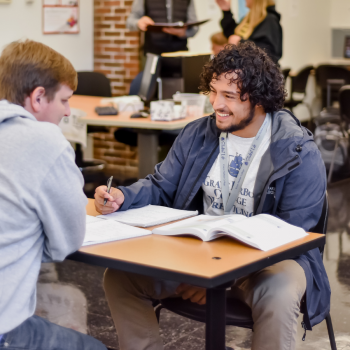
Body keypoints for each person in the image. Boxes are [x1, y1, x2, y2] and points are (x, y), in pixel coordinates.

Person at [95, 42, 330, 350]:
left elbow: (292, 235)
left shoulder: (297, 151)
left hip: (267, 261)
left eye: (229, 96)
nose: (216, 103)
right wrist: (122, 197)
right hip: (202, 254)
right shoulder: (198, 134)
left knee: (280, 291)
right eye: (213, 91)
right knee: (120, 278)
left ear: (259, 101)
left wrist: (221, 278)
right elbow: (162, 185)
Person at [0, 40, 107, 350]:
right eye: (64, 100)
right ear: (37, 97)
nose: (68, 111)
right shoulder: (44, 139)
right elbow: (65, 244)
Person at [216, 0, 282, 63]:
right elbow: (232, 34)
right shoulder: (248, 19)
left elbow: (269, 52)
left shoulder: (270, 20)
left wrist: (241, 42)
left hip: (261, 72)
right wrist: (226, 12)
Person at [126, 0, 199, 56]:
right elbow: (130, 21)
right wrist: (138, 22)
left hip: (180, 55)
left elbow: (195, 27)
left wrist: (184, 33)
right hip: (153, 55)